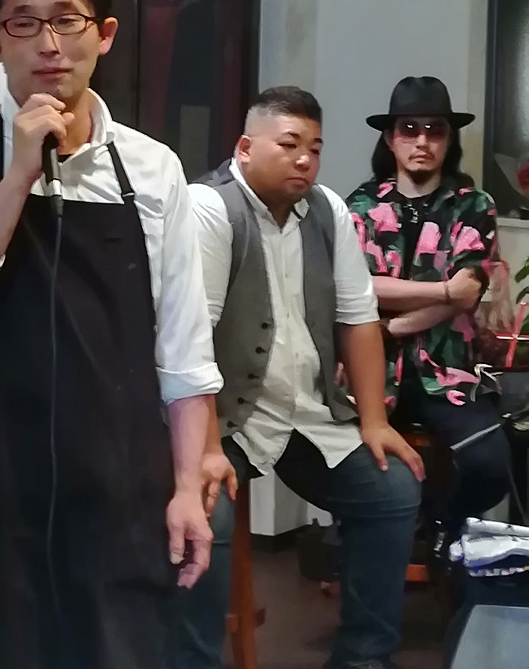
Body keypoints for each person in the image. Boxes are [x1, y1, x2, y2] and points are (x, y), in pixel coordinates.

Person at [0, 0, 223, 669]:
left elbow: (183, 348)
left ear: (103, 34)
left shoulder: (153, 169)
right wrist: (17, 174)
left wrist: (185, 484)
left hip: (122, 476)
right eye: (24, 23)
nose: (49, 44)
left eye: (67, 20)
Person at [171, 86, 424, 669]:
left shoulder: (328, 210)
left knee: (391, 489)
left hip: (307, 411)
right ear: (245, 147)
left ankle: (364, 657)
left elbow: (358, 318)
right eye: (289, 145)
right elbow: (189, 341)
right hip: (223, 419)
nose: (305, 159)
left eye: (315, 147)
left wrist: (374, 420)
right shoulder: (209, 207)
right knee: (207, 513)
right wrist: (203, 450)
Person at [347, 76, 511, 556]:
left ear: (449, 138)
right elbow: (359, 287)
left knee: (491, 465)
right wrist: (441, 289)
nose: (422, 141)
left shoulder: (473, 205)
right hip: (372, 372)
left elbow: (467, 294)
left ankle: (442, 519)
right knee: (346, 460)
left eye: (434, 129)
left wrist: (389, 324)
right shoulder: (361, 205)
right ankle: (366, 546)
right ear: (390, 138)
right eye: (409, 129)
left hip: (449, 372)